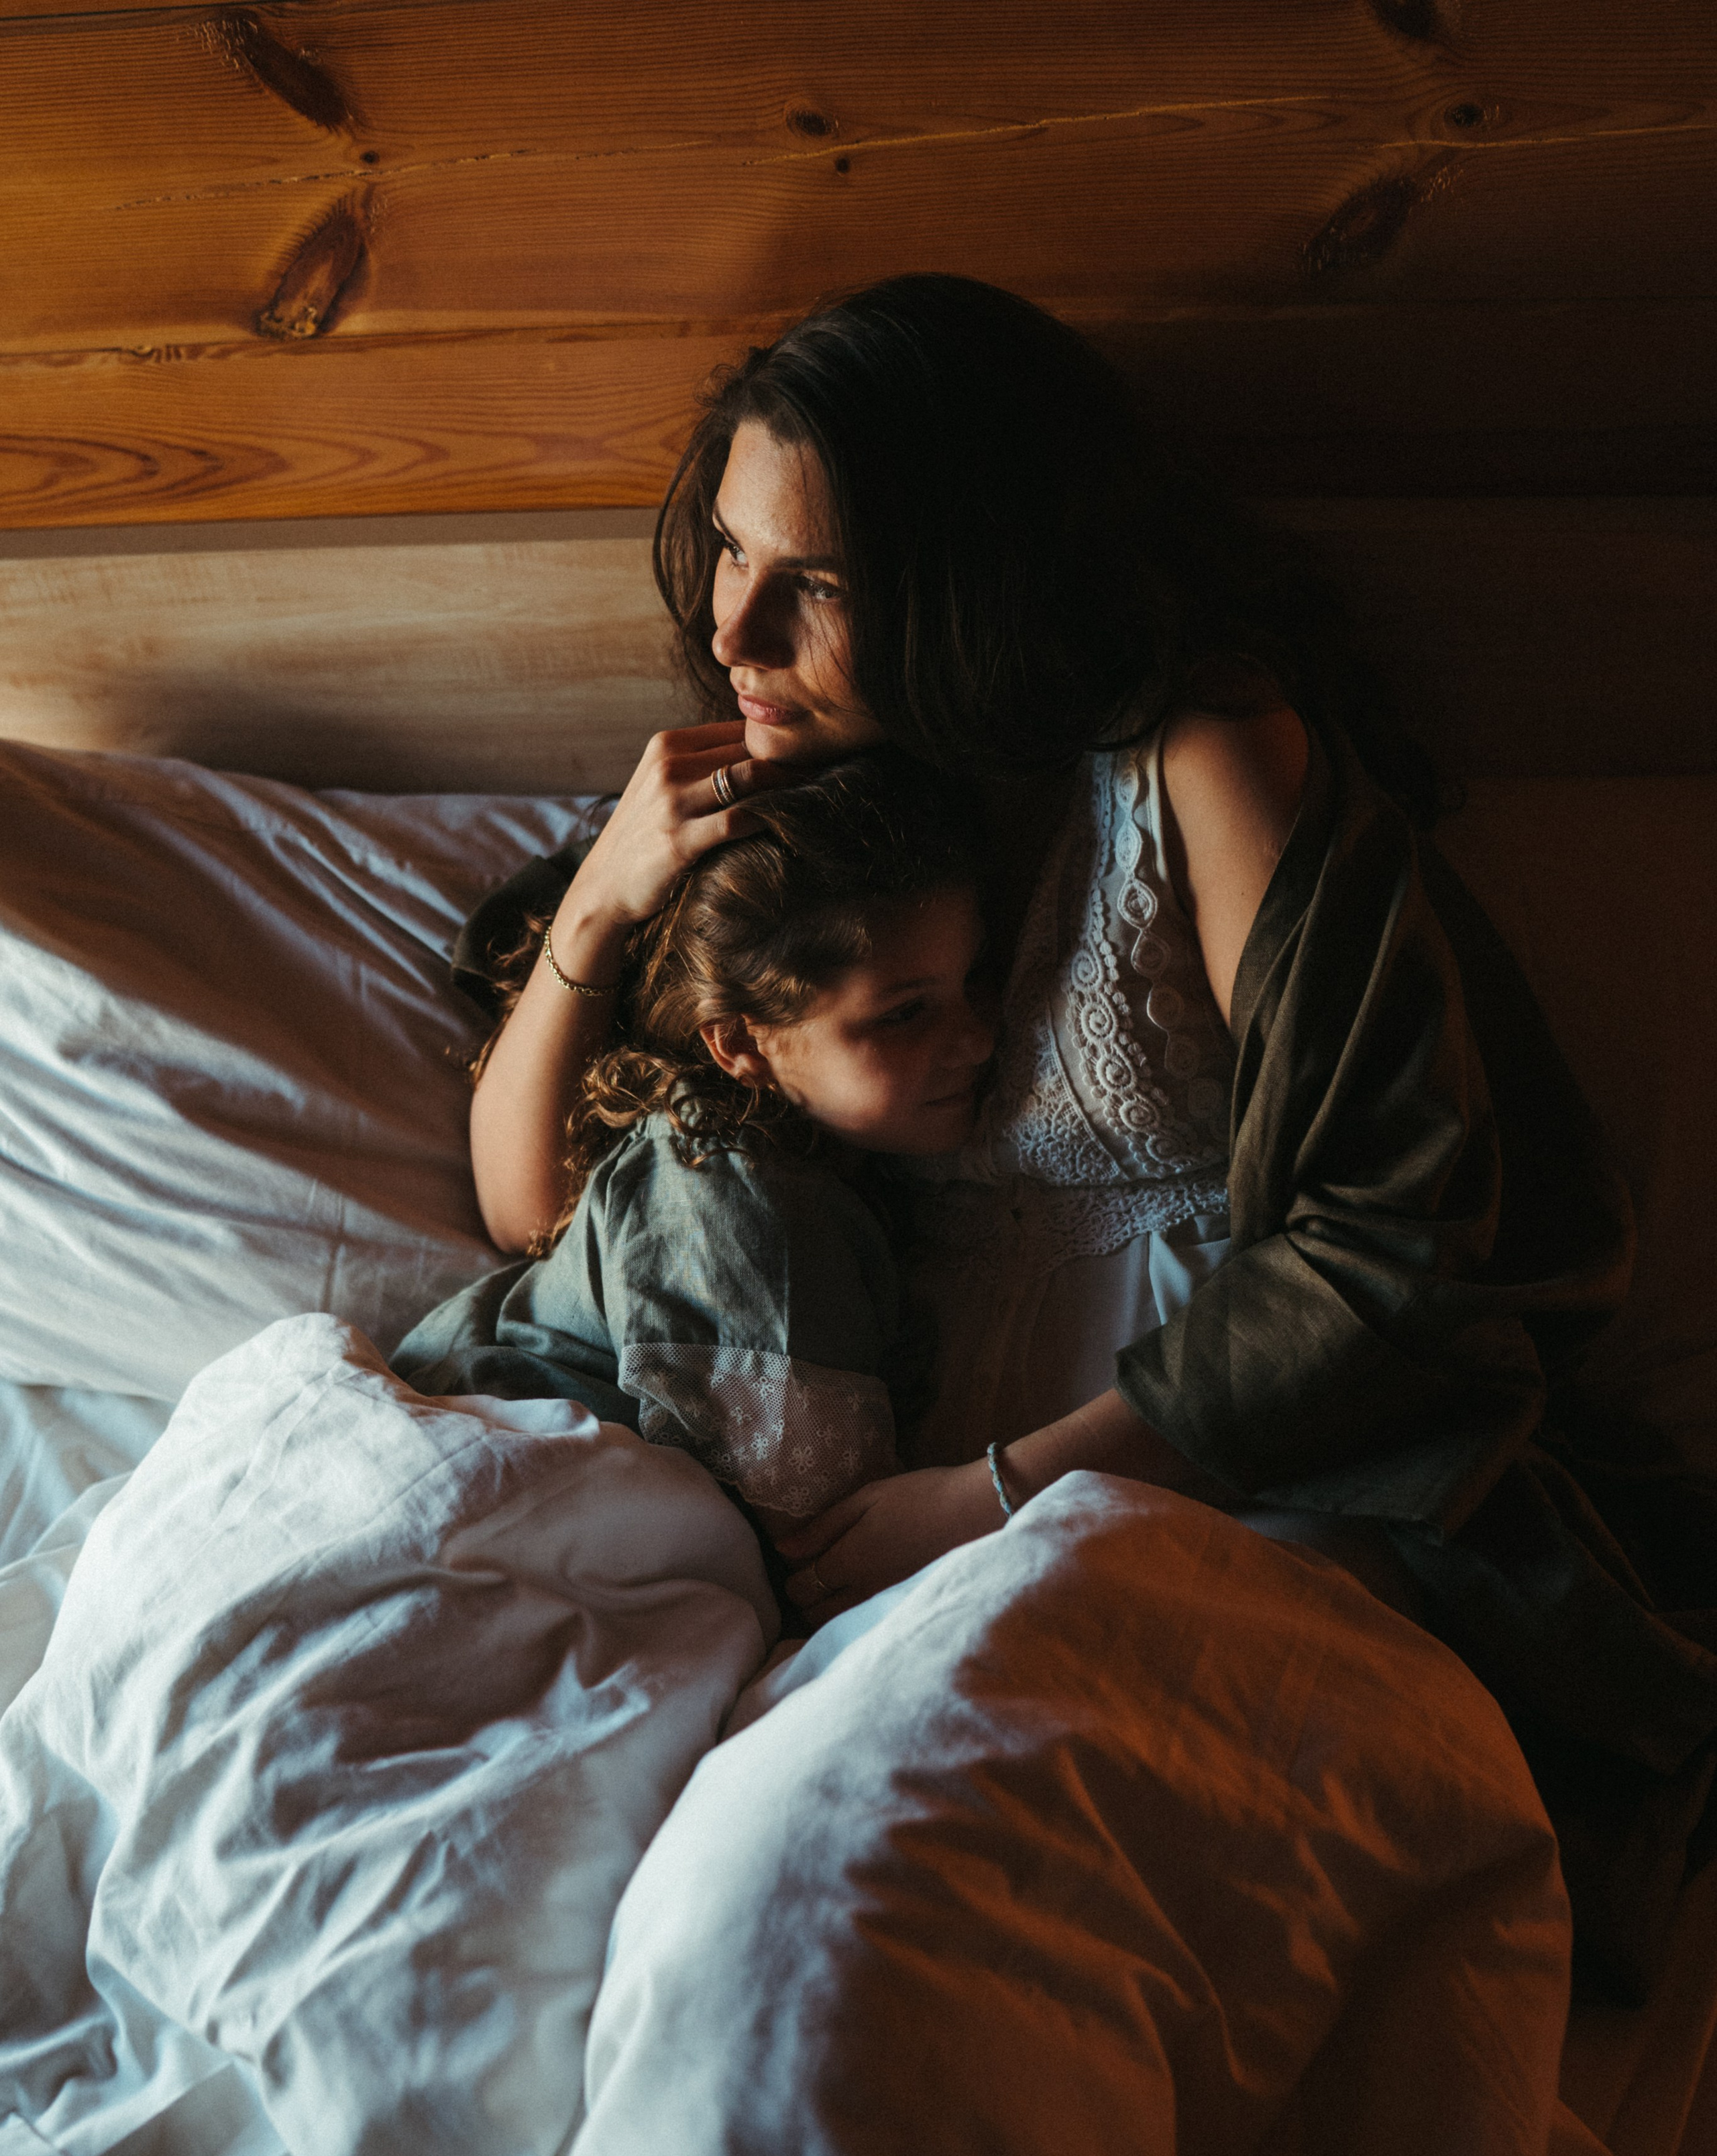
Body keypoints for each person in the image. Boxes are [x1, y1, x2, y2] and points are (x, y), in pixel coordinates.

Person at [455, 272, 1715, 1999]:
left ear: (973, 584)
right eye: (734, 557)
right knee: (719, 1909)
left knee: (951, 1876)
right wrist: (604, 899)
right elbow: (541, 1214)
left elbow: (1386, 1245)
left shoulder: (1197, 752)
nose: (735, 638)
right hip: (885, 1547)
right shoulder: (800, 818)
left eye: (813, 585)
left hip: (1236, 1486)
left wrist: (988, 1499)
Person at [396, 750, 990, 1532]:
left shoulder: (811, 1165)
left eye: (976, 981)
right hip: (473, 1473)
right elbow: (814, 1532)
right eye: (905, 1014)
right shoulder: (731, 1190)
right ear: (740, 1046)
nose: (979, 1040)